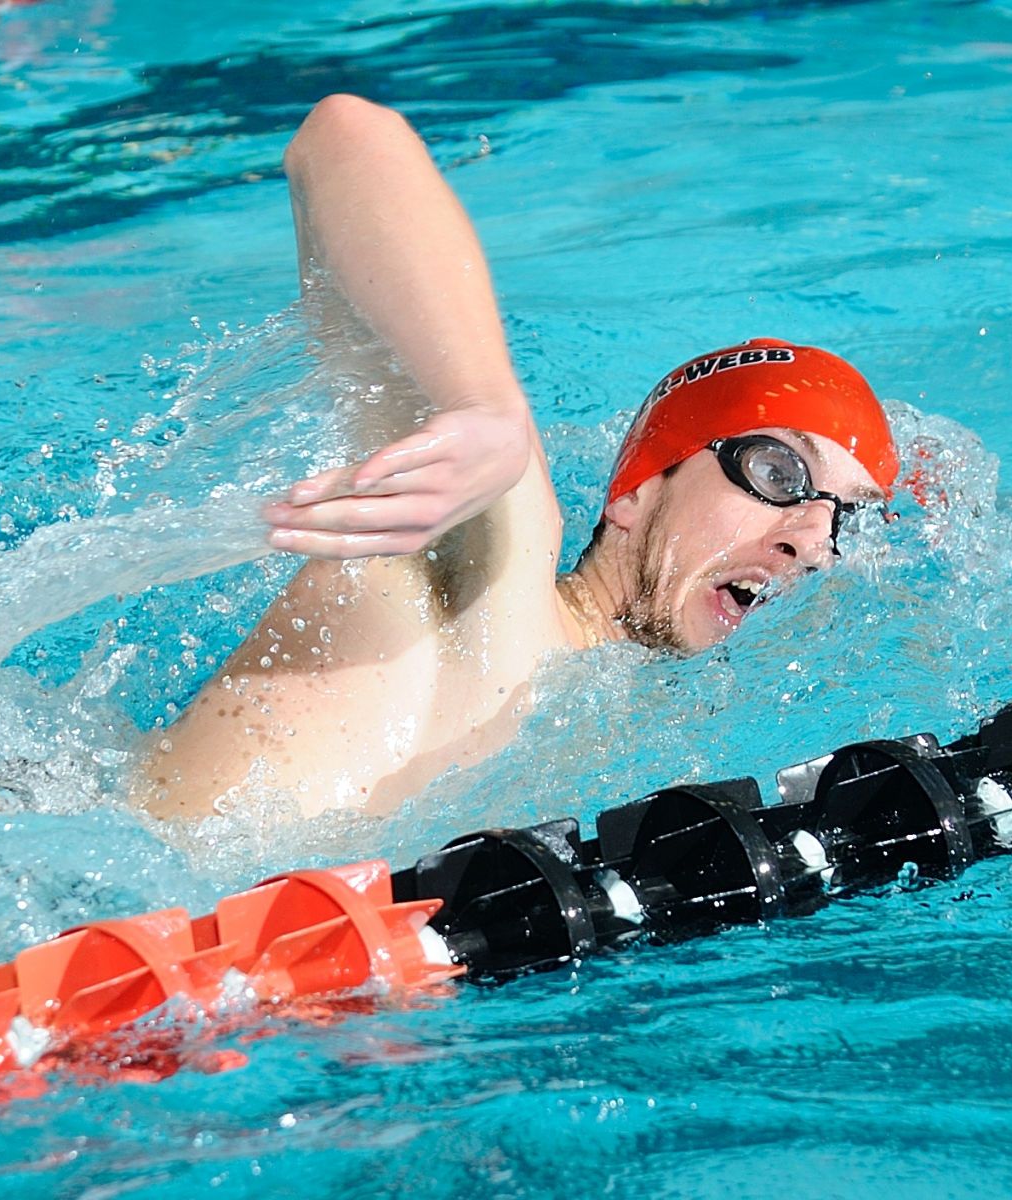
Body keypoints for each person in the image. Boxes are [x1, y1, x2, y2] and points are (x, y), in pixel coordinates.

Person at [139, 94, 897, 822]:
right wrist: (483, 409)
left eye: (847, 521)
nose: (812, 538)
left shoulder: (630, 737)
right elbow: (343, 135)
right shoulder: (495, 563)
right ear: (635, 490)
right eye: (777, 474)